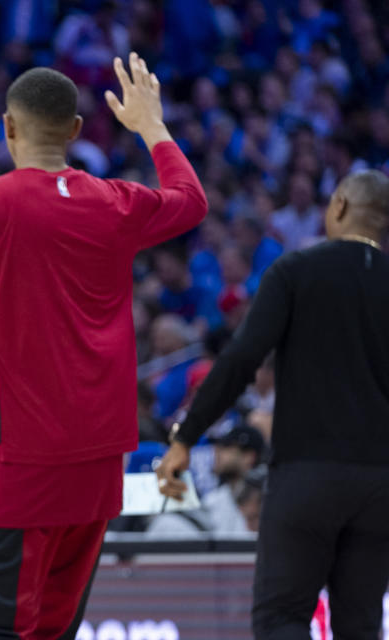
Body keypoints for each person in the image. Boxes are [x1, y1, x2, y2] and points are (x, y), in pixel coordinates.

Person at [0, 53, 207, 639]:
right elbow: (190, 199)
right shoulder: (117, 202)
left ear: (7, 127)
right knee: (53, 630)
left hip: (19, 464)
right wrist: (151, 126)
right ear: (76, 131)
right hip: (100, 464)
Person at [156, 169, 389, 638]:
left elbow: (241, 358)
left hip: (307, 472)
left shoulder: (295, 271)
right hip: (380, 483)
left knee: (281, 618)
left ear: (338, 206)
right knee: (361, 625)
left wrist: (186, 436)